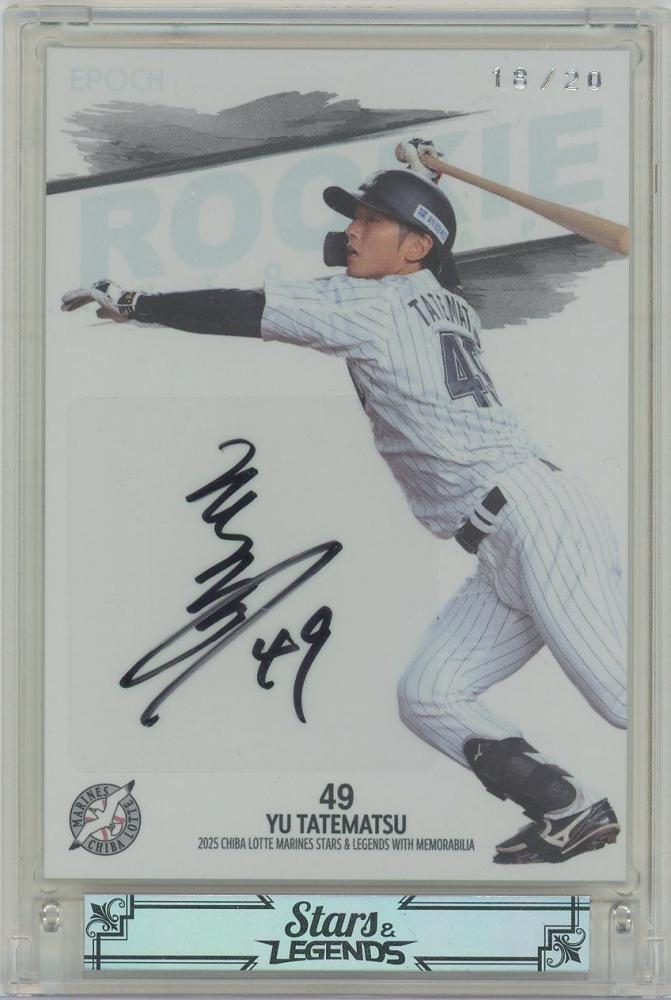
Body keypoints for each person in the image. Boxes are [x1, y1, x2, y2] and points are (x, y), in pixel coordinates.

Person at [61, 140, 627, 864]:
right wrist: (420, 188)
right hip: (507, 538)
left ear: (415, 247)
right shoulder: (447, 302)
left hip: (536, 521)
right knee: (429, 694)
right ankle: (567, 807)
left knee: (626, 701)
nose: (351, 232)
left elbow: (245, 308)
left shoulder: (372, 303)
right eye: (355, 217)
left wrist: (137, 303)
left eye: (370, 220)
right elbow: (431, 262)